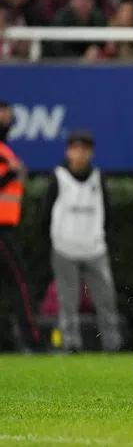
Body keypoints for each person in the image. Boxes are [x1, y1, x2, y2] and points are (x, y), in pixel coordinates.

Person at [41, 129, 122, 353]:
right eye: (75, 149)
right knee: (67, 302)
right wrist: (52, 242)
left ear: (91, 153)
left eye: (85, 150)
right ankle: (70, 344)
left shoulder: (97, 177)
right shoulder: (59, 176)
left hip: (94, 249)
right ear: (68, 152)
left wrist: (101, 237)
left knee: (106, 299)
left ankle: (112, 344)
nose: (80, 154)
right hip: (64, 249)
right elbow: (46, 213)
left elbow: (107, 212)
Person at [0, 100, 42, 352]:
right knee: (19, 284)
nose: (6, 120)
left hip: (6, 227)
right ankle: (34, 343)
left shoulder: (5, 149)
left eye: (8, 116)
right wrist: (10, 175)